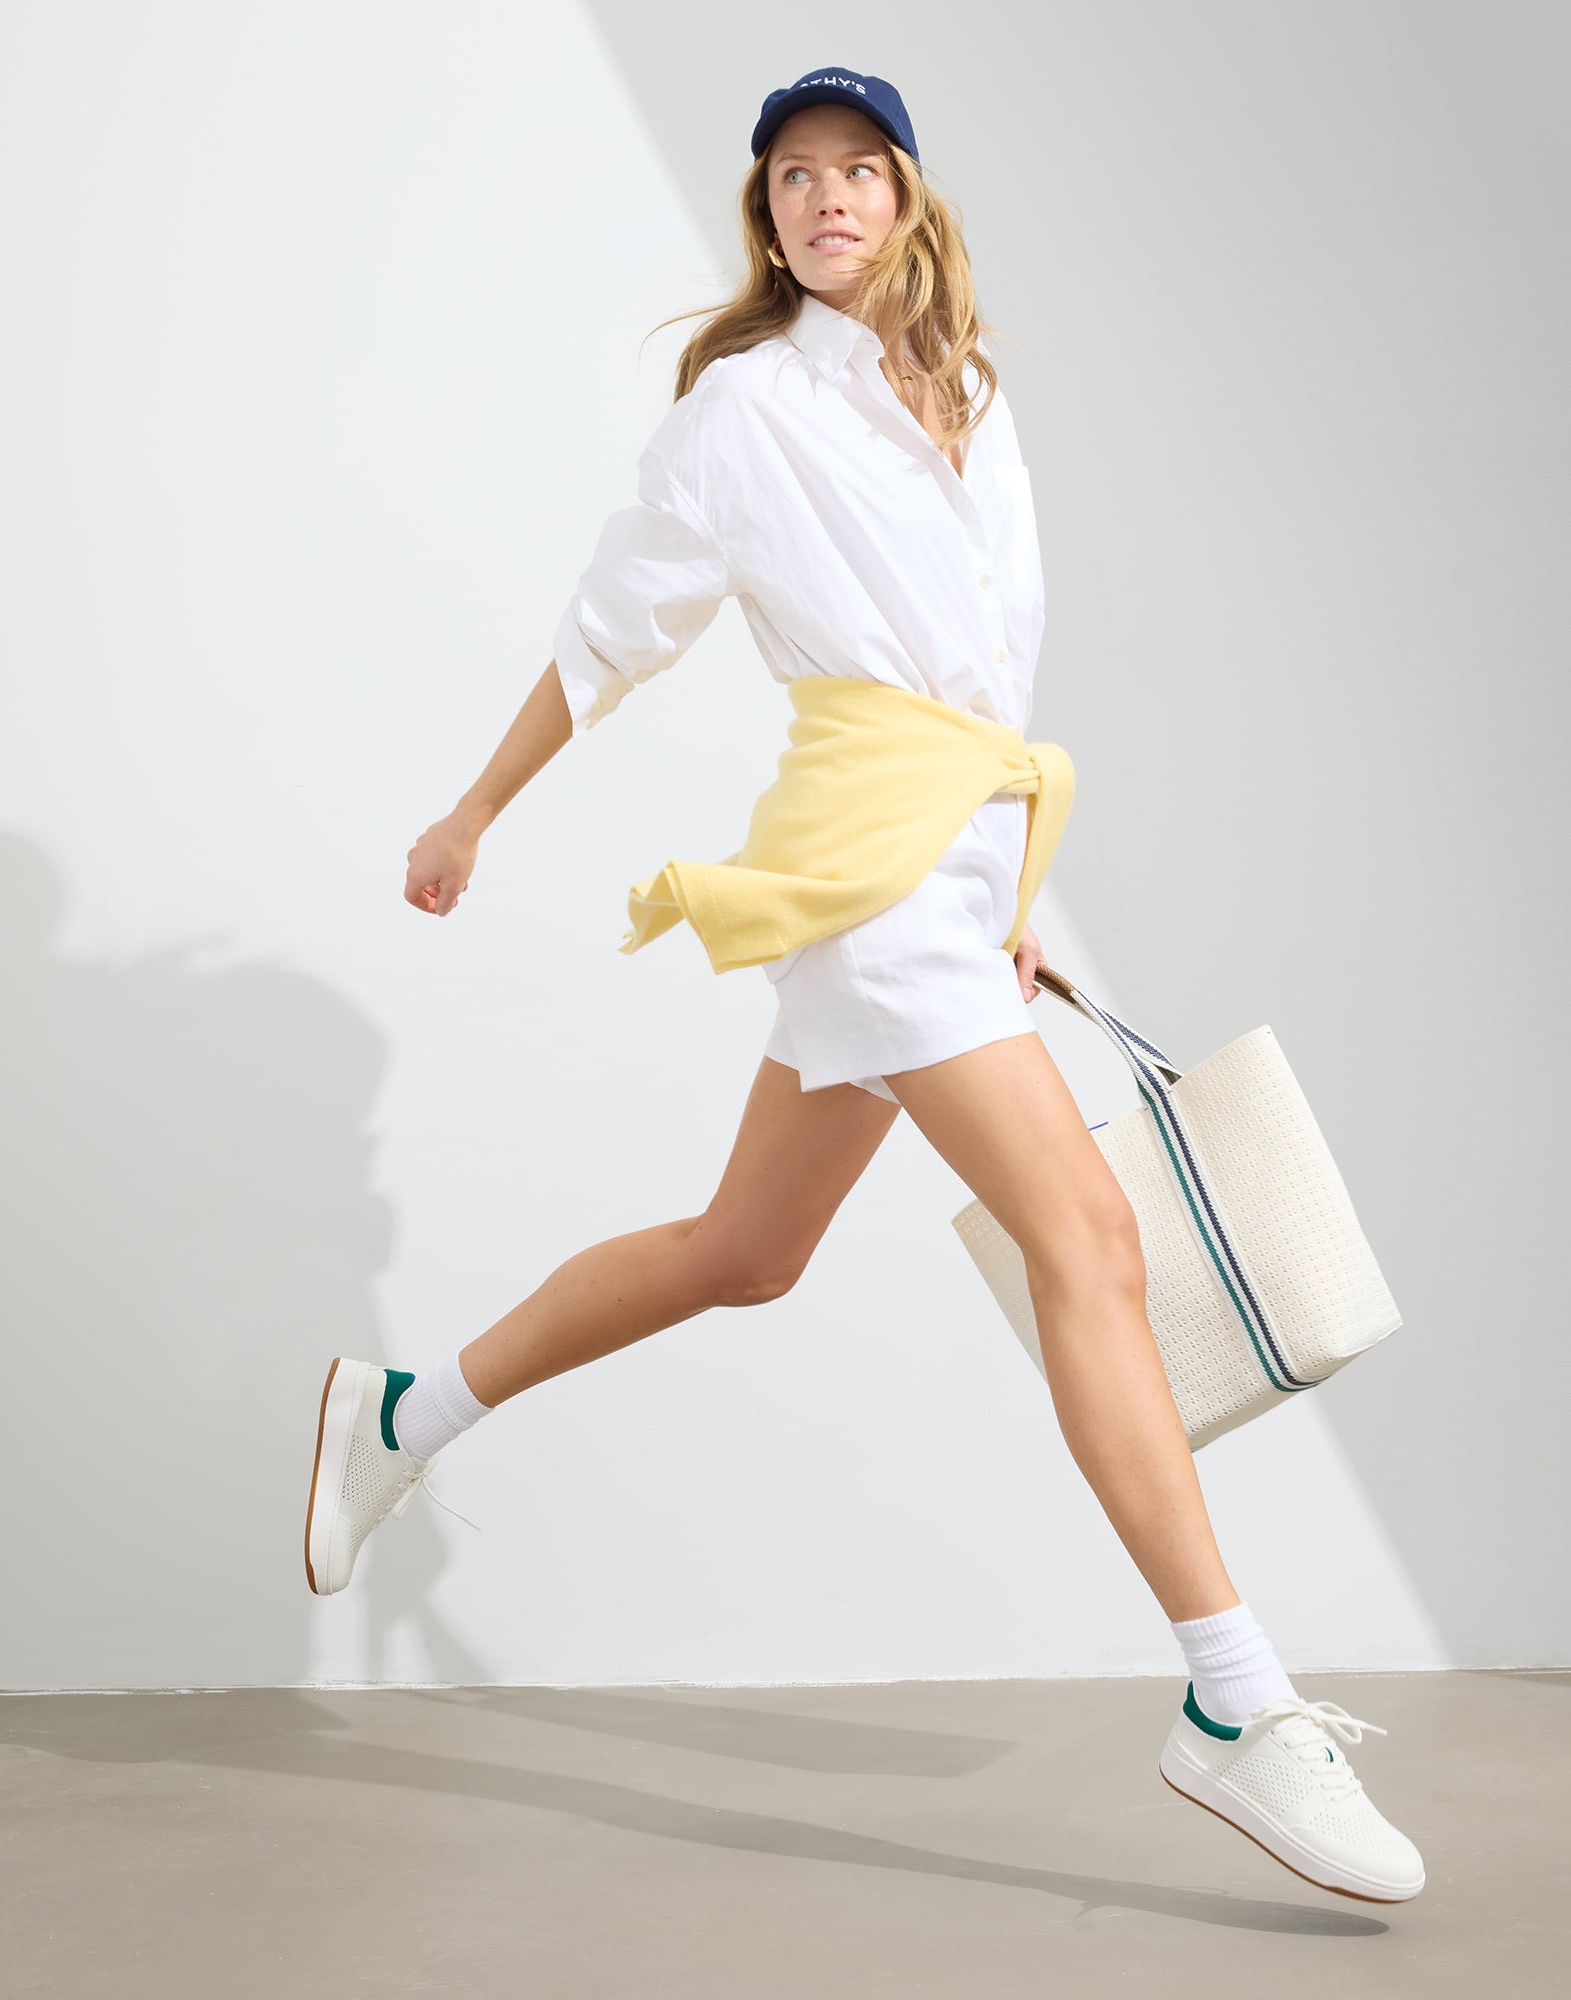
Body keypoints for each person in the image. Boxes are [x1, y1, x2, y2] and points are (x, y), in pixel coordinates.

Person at [302, 66, 1425, 1903]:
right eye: (793, 177)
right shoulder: (743, 411)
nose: (825, 199)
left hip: (948, 874)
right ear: (764, 214)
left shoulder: (971, 394)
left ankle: (401, 1415)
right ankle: (1235, 1699)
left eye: (858, 171)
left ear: (907, 198)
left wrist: (1013, 897)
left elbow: (984, 682)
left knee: (744, 1253)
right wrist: (474, 809)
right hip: (867, 880)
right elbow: (609, 637)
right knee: (1092, 1239)